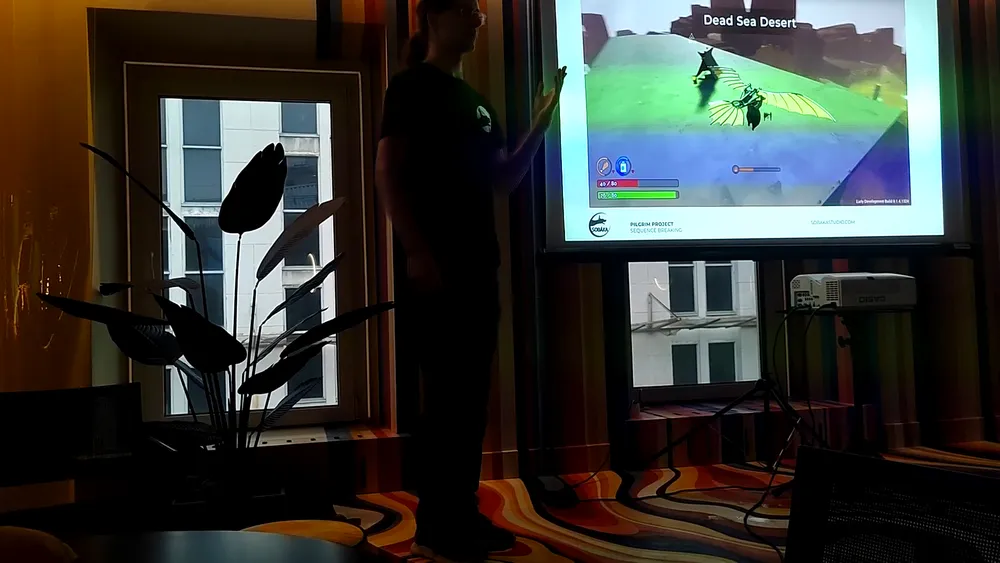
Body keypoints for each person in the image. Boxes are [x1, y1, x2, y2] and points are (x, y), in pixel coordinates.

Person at [375, 0, 566, 561]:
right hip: (436, 270)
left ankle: (458, 514)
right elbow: (388, 173)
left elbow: (503, 180)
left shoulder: (478, 104)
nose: (480, 19)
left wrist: (541, 121)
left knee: (470, 404)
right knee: (445, 404)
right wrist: (417, 252)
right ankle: (438, 526)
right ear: (433, 15)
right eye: (470, 10)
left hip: (480, 266)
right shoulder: (411, 88)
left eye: (480, 12)